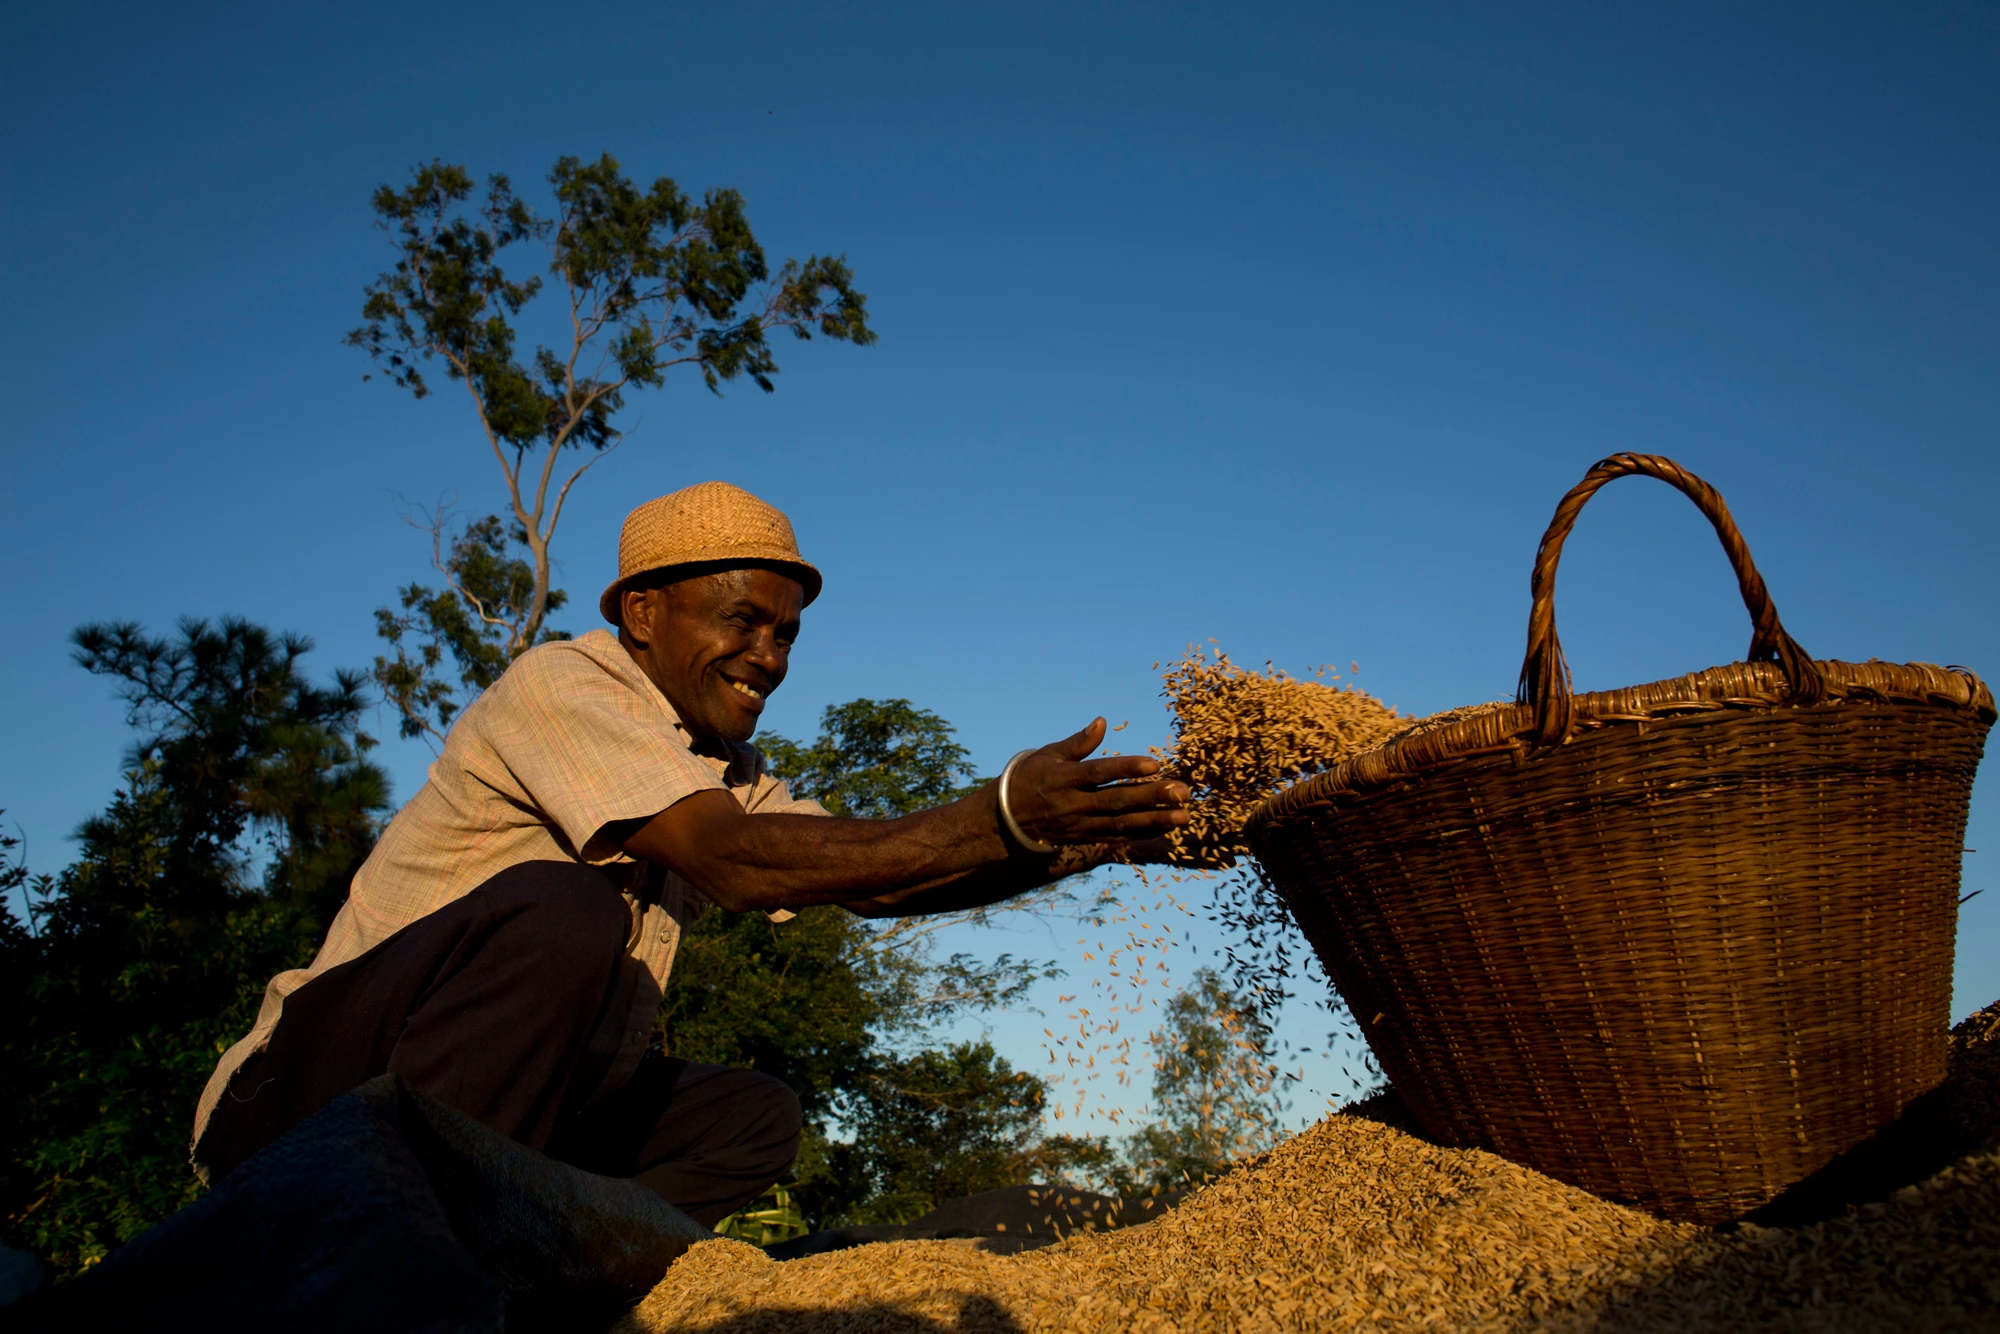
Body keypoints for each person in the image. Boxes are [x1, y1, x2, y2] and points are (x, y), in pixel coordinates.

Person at [191, 481, 1192, 1227]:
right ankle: (391, 1256)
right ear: (643, 614)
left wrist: (1070, 838)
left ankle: (547, 1266)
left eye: (786, 633)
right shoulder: (561, 686)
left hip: (503, 1116)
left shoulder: (718, 764)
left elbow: (872, 882)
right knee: (564, 910)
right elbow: (733, 859)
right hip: (308, 1101)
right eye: (741, 620)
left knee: (749, 1119)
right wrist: (1002, 805)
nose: (769, 656)